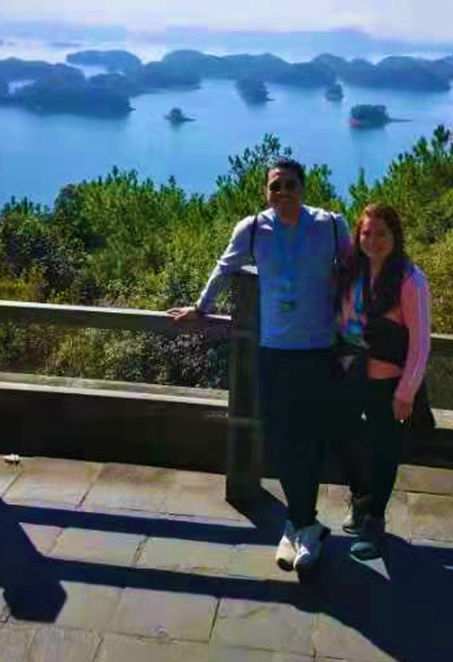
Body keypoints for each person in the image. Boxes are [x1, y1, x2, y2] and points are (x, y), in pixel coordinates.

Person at [168, 158, 351, 573]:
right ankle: (304, 526)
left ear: (304, 187)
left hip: (320, 350)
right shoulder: (253, 228)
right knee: (279, 440)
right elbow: (224, 267)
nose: (283, 192)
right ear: (266, 192)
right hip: (274, 350)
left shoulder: (330, 225)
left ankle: (299, 527)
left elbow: (357, 274)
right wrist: (200, 308)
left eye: (290, 185)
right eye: (275, 187)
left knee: (309, 439)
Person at [333, 203, 431, 561]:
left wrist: (407, 391)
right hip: (351, 376)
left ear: (395, 236)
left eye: (381, 234)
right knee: (345, 438)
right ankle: (361, 501)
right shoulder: (351, 273)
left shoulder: (409, 279)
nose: (373, 241)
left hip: (388, 385)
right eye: (366, 233)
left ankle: (374, 521)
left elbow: (421, 342)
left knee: (384, 450)